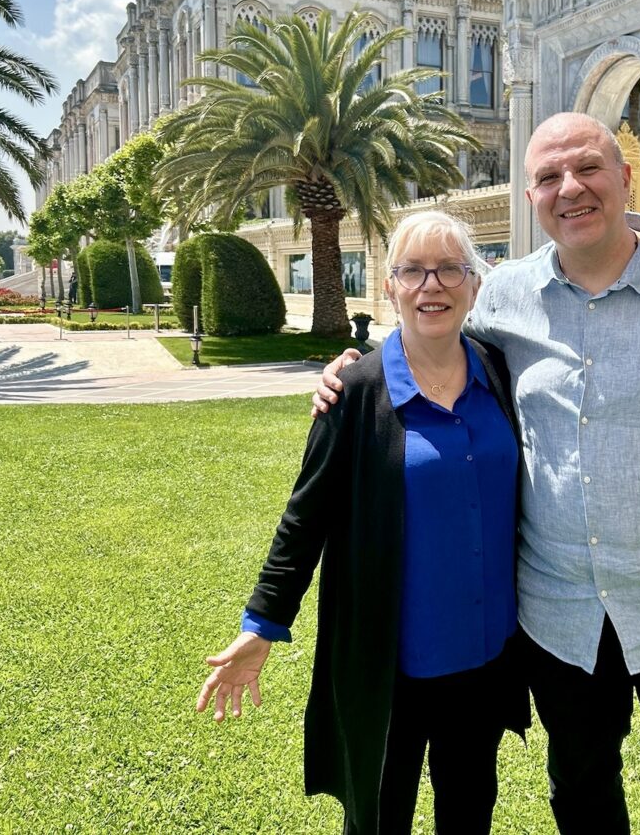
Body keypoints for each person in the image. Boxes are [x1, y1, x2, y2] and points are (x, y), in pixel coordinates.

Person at [315, 112, 640, 834]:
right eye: (548, 177)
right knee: (581, 802)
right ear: (530, 196)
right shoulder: (506, 295)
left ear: (626, 178)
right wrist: (357, 373)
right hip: (563, 621)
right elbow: (430, 318)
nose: (569, 189)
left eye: (587, 169)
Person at [197, 211, 528, 835]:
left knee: (470, 810)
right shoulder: (353, 393)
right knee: (378, 816)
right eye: (413, 271)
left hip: (485, 655)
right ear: (391, 286)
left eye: (450, 269)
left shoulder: (499, 373)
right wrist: (261, 626)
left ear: (474, 285)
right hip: (389, 663)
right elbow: (305, 518)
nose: (432, 285)